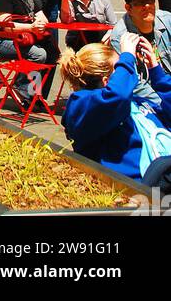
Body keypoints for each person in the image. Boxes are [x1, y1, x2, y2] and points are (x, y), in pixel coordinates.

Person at [61, 33, 171, 189]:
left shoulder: (137, 102)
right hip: (141, 192)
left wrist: (156, 71)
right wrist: (127, 56)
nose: (129, 72)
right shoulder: (83, 106)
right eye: (121, 68)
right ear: (107, 80)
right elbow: (116, 96)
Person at [109, 0, 171, 107]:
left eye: (150, 0)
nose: (147, 6)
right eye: (140, 3)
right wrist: (164, 104)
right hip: (149, 100)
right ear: (128, 9)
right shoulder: (120, 37)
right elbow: (134, 82)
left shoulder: (168, 20)